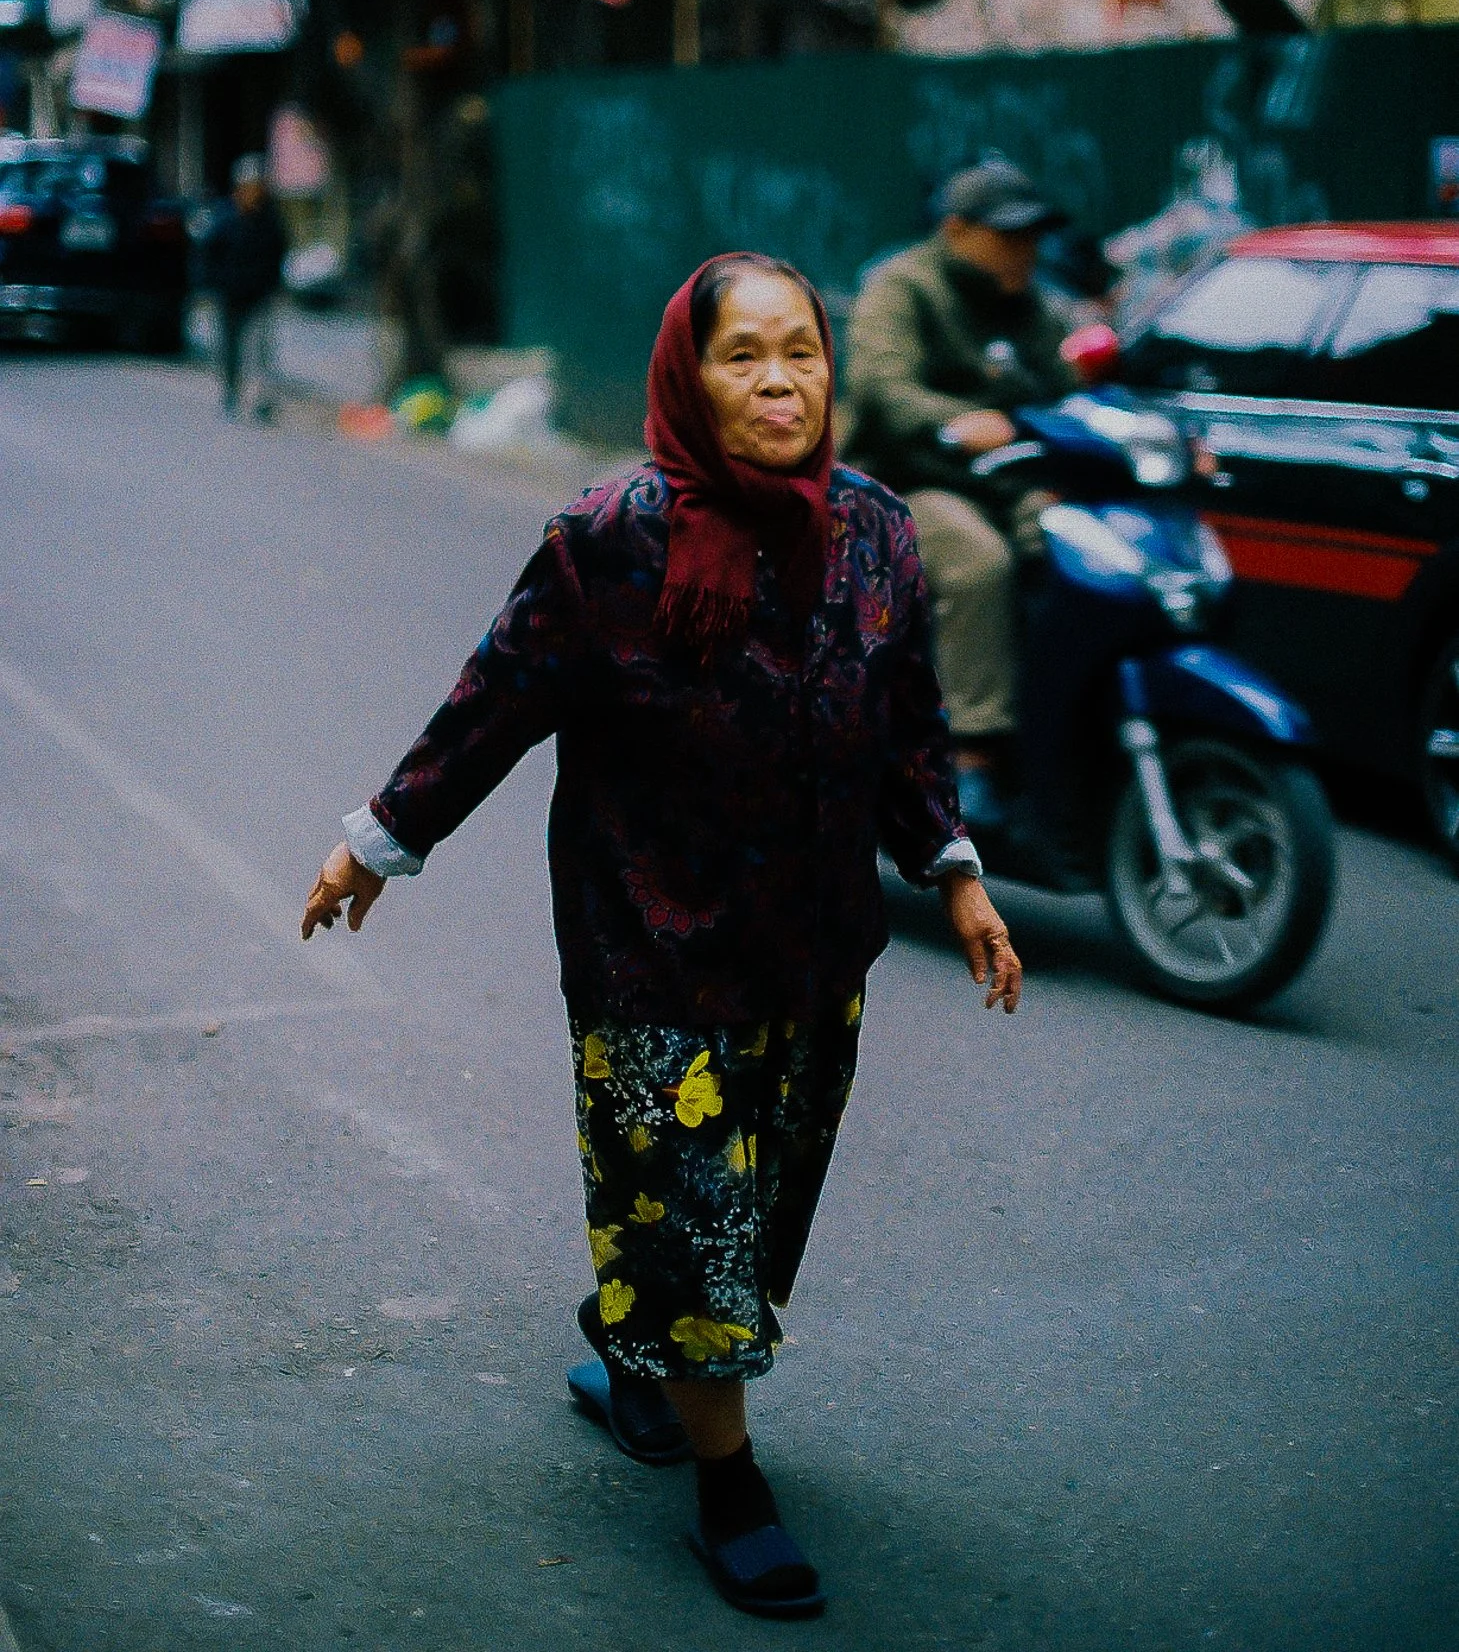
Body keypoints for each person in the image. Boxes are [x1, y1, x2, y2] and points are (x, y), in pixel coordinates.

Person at [301, 252, 1022, 1622]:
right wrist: (379, 840)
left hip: (815, 950)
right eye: (740, 355)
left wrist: (955, 874)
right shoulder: (606, 539)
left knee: (752, 1221)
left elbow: (906, 727)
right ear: (687, 379)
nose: (777, 381)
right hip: (648, 944)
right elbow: (494, 700)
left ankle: (636, 1353)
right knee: (693, 1214)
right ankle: (729, 1486)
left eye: (799, 352)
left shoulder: (875, 532)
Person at [841, 161, 1078, 821]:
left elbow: (1070, 385)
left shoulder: (1030, 303)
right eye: (1009, 236)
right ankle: (970, 755)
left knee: (1081, 551)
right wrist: (953, 420)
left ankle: (1060, 722)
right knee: (980, 563)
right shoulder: (901, 287)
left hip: (1008, 479)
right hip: (906, 478)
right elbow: (881, 387)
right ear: (956, 229)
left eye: (1032, 237)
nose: (1024, 250)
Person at [205, 154, 286, 420]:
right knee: (229, 350)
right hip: (229, 294)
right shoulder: (224, 218)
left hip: (259, 294)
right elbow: (208, 254)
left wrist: (272, 284)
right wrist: (213, 284)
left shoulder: (270, 220)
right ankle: (231, 392)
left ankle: (261, 400)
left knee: (261, 350)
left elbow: (279, 252)